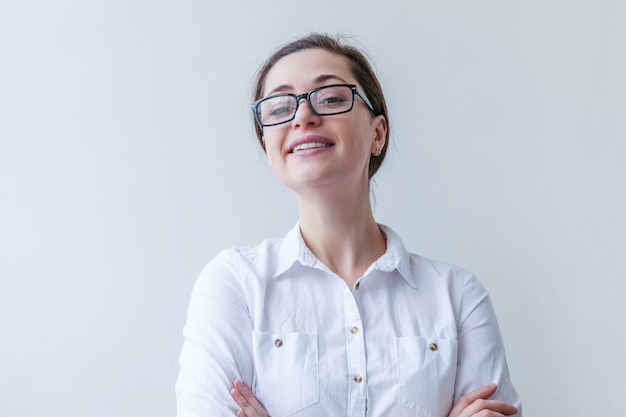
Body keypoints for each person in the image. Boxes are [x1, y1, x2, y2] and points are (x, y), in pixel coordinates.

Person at [175, 33, 522, 417]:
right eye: (278, 108)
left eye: (331, 98)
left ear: (377, 133)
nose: (303, 117)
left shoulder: (458, 299)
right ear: (268, 146)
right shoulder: (235, 284)